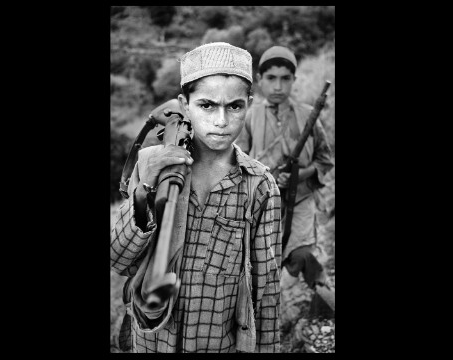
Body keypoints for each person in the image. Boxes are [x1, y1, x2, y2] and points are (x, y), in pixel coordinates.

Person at [111, 42, 282, 353]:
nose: (221, 120)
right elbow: (117, 258)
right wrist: (143, 191)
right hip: (153, 342)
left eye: (234, 106)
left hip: (219, 344)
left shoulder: (259, 185)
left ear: (249, 104)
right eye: (206, 105)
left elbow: (267, 290)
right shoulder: (151, 164)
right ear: (183, 103)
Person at [235, 46, 335, 311]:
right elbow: (237, 161)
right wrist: (265, 179)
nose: (278, 86)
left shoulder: (307, 116)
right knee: (260, 262)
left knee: (302, 255)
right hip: (261, 204)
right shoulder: (250, 116)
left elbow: (325, 160)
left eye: (285, 78)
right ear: (259, 80)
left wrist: (300, 175)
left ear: (294, 81)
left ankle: (322, 302)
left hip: (300, 200)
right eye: (271, 78)